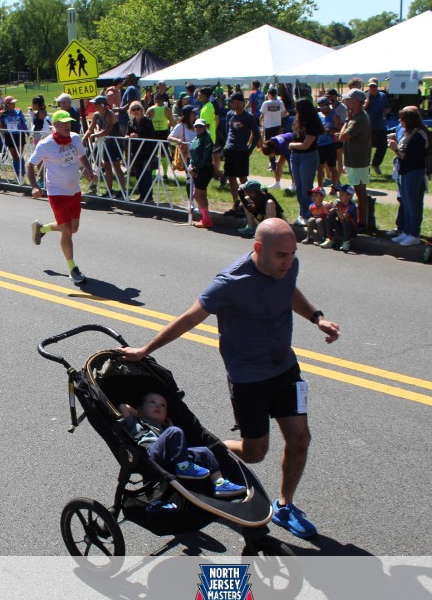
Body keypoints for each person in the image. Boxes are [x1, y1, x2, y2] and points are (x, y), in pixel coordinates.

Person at [118, 218, 340, 539]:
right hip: (249, 380)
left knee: (300, 439)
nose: (288, 261)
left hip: (285, 369)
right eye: (281, 255)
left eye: (293, 253)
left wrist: (316, 318)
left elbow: (288, 291)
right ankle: (206, 451)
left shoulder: (287, 266)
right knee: (255, 452)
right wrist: (145, 350)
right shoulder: (230, 283)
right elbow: (189, 318)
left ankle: (285, 506)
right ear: (258, 248)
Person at [117, 392, 245, 496]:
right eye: (152, 402)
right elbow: (123, 406)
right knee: (174, 431)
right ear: (140, 410)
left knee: (204, 451)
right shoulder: (136, 424)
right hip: (150, 455)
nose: (158, 406)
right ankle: (183, 467)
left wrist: (168, 426)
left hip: (172, 459)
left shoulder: (166, 429)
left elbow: (175, 442)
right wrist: (138, 414)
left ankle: (219, 483)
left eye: (163, 405)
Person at [28, 110, 98, 286]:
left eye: (69, 122)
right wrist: (34, 186)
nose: (68, 125)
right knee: (66, 230)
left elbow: (82, 156)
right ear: (55, 125)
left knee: (73, 228)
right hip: (57, 193)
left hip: (74, 191)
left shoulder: (75, 138)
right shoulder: (46, 144)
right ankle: (73, 269)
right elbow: (30, 165)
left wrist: (89, 171)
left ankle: (41, 229)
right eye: (64, 123)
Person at [387, 106, 430, 247]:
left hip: (414, 172)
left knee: (413, 205)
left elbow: (409, 156)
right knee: (405, 204)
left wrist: (395, 148)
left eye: (402, 119)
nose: (400, 121)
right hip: (404, 171)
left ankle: (414, 234)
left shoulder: (419, 134)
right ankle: (406, 231)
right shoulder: (408, 133)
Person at [338, 89, 373, 229]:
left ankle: (362, 222)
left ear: (357, 102)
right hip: (357, 160)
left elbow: (342, 137)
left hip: (357, 161)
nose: (345, 102)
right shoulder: (358, 116)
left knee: (360, 193)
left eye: (348, 99)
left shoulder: (358, 119)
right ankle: (362, 219)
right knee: (360, 192)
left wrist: (346, 120)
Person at [223, 92, 259, 217]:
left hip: (242, 151)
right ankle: (235, 204)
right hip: (230, 150)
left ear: (239, 103)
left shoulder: (248, 117)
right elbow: (228, 131)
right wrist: (226, 145)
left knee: (242, 178)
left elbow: (256, 134)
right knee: (231, 177)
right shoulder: (229, 114)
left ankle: (246, 205)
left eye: (232, 102)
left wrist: (250, 148)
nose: (230, 104)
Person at [289, 97, 322, 226]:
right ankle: (302, 213)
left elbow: (305, 145)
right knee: (298, 186)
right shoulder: (297, 121)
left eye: (297, 108)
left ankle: (307, 215)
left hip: (308, 156)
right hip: (295, 156)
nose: (295, 110)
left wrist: (291, 144)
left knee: (306, 187)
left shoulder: (313, 123)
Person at [125, 100, 155, 202]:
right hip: (136, 151)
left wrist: (139, 136)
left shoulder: (147, 121)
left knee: (147, 174)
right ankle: (142, 195)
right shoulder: (130, 123)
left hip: (147, 151)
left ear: (141, 110)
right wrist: (128, 136)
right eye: (133, 109)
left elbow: (151, 135)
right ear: (131, 111)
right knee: (138, 174)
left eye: (138, 109)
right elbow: (127, 134)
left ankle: (148, 196)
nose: (136, 111)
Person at [364, 78, 390, 175]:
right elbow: (361, 109)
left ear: (377, 86)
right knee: (367, 149)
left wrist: (387, 111)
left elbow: (388, 107)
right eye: (370, 86)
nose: (372, 88)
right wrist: (366, 103)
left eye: (374, 86)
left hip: (381, 126)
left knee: (383, 147)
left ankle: (375, 164)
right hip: (368, 127)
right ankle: (366, 170)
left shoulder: (383, 96)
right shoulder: (365, 96)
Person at [323, 185, 358, 251]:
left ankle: (346, 242)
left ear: (350, 196)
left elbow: (343, 217)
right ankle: (330, 239)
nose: (339, 196)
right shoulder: (339, 204)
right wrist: (326, 208)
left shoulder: (352, 206)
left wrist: (336, 208)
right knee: (328, 217)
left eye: (342, 195)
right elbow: (329, 213)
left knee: (345, 221)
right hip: (341, 228)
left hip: (351, 231)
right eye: (339, 194)